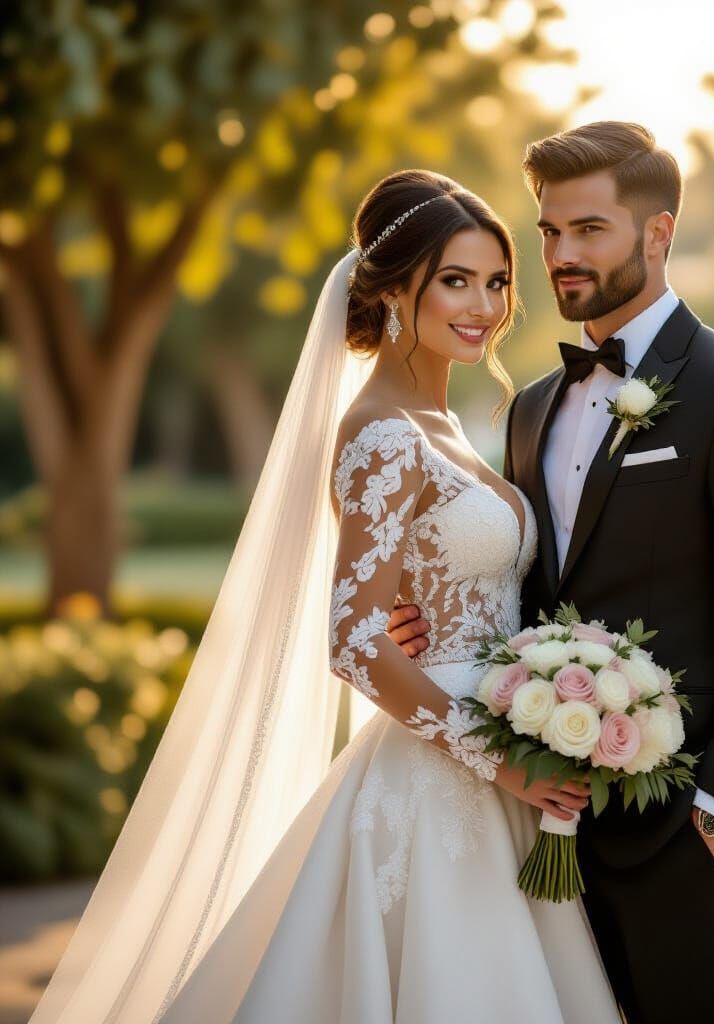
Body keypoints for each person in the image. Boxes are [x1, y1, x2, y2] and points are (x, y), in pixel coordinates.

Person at [29, 170, 621, 1024]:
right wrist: (503, 762)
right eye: (454, 280)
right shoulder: (383, 433)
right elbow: (351, 642)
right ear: (391, 289)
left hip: (497, 758)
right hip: (445, 777)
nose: (483, 305)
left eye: (496, 282)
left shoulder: (447, 426)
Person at [389, 122, 714, 1023]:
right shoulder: (531, 408)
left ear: (657, 234)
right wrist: (430, 624)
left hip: (678, 825)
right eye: (550, 232)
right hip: (542, 819)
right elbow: (525, 582)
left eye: (589, 229)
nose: (561, 255)